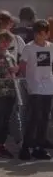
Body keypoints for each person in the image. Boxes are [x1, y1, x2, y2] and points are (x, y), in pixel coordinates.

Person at [18, 20, 53, 160]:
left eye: (43, 33)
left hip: (49, 86)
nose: (39, 36)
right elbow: (22, 65)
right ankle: (26, 147)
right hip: (34, 86)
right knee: (34, 118)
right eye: (37, 33)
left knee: (45, 118)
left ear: (47, 33)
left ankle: (39, 146)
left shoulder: (51, 47)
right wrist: (25, 82)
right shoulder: (28, 48)